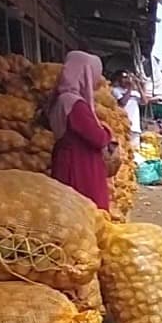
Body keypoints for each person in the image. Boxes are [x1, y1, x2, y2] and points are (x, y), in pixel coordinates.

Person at [49, 51, 116, 210]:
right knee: (85, 210)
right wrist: (107, 131)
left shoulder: (60, 98)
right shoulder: (74, 103)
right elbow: (97, 138)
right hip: (80, 163)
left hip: (67, 156)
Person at [111, 70, 148, 148]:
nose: (127, 80)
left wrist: (138, 85)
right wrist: (130, 88)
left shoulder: (135, 93)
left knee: (134, 152)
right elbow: (123, 102)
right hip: (122, 126)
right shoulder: (115, 90)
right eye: (124, 77)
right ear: (119, 78)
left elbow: (144, 102)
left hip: (135, 127)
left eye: (128, 77)